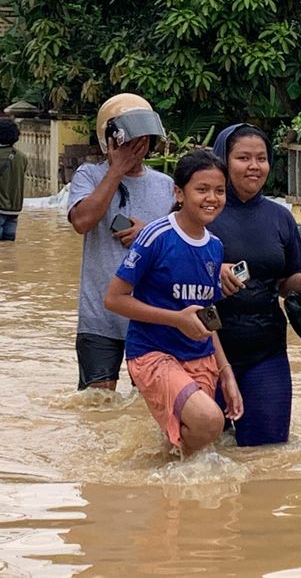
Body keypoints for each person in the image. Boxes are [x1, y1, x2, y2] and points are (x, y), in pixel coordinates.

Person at [104, 150, 242, 454]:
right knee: (209, 422)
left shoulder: (215, 246)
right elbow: (114, 299)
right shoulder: (156, 236)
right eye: (202, 189)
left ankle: (159, 491)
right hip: (153, 353)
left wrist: (226, 372)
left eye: (219, 191)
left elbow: (208, 316)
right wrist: (177, 318)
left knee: (187, 449)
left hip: (200, 356)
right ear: (179, 193)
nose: (212, 198)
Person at [208, 123, 301, 447]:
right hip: (205, 351)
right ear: (223, 161)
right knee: (199, 455)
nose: (254, 166)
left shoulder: (280, 217)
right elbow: (169, 274)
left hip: (266, 349)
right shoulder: (201, 211)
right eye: (243, 157)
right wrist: (213, 270)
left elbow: (287, 282)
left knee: (268, 453)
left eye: (261, 158)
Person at [66, 93, 175, 390]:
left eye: (143, 136)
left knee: (151, 403)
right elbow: (82, 222)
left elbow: (181, 243)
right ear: (110, 140)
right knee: (97, 406)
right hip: (99, 315)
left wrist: (148, 232)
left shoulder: (166, 186)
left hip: (151, 315)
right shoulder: (88, 175)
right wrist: (116, 171)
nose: (136, 145)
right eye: (128, 137)